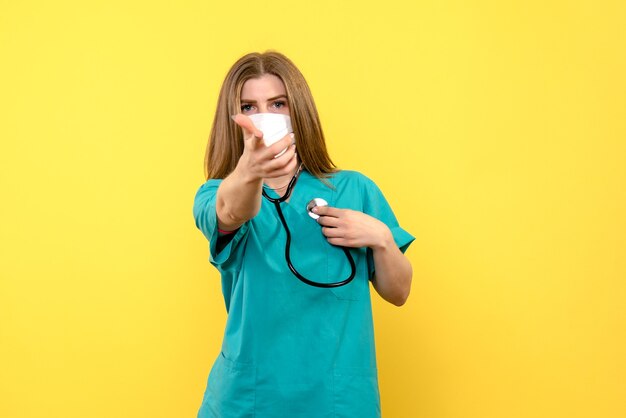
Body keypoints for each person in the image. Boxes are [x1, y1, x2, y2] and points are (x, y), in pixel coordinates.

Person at [193, 51, 414, 418]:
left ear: (298, 110)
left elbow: (399, 292)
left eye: (277, 103)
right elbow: (233, 211)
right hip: (248, 399)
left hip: (337, 400)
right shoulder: (218, 193)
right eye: (248, 107)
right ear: (232, 120)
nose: (264, 115)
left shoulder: (354, 190)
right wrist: (249, 171)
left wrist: (382, 238)